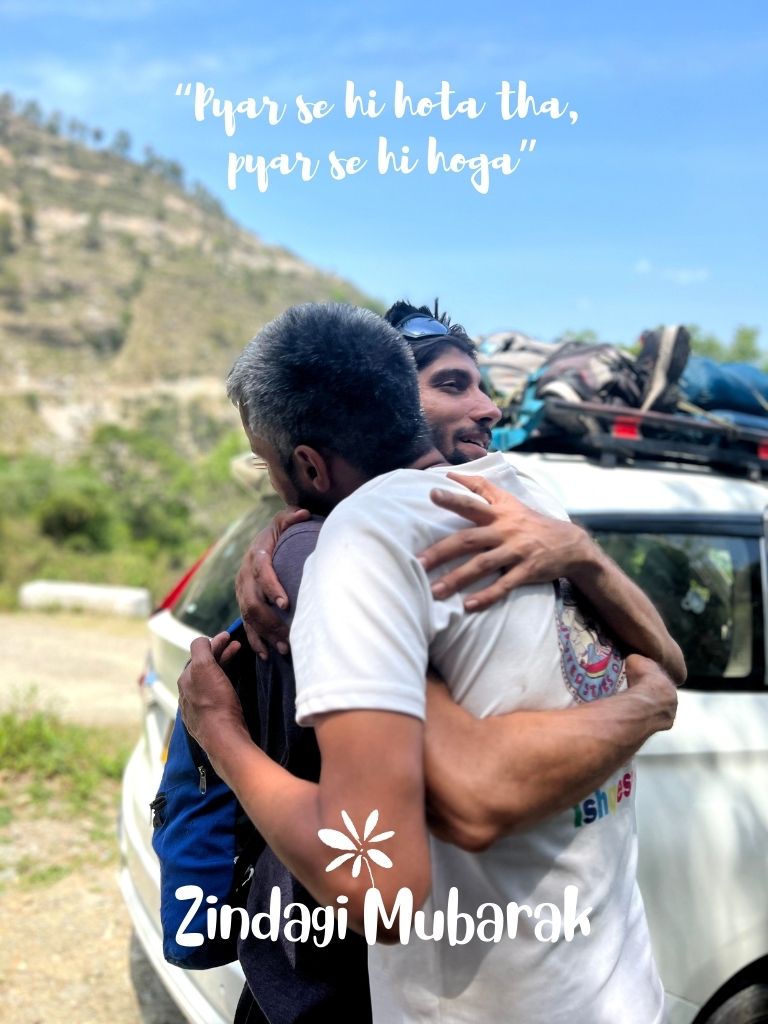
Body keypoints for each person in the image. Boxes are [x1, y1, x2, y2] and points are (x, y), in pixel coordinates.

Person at [179, 303, 680, 1023]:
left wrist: (218, 732)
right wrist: (647, 694)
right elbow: (664, 664)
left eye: (268, 464)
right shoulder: (519, 493)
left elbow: (383, 885)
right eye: (451, 383)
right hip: (621, 992)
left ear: (308, 466)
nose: (486, 406)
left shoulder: (366, 543)